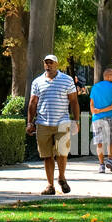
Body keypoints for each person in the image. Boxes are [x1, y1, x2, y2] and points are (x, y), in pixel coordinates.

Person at [26, 54, 79, 195]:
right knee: (47, 155)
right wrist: (30, 122)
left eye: (51, 63)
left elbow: (74, 101)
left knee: (62, 153)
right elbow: (32, 103)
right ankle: (50, 185)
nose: (48, 65)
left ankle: (61, 177)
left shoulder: (67, 80)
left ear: (57, 64)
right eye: (46, 63)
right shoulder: (37, 82)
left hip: (62, 122)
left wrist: (76, 121)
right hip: (43, 123)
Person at [89, 67, 112, 174]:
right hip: (110, 117)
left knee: (99, 142)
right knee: (110, 140)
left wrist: (95, 112)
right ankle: (110, 160)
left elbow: (91, 104)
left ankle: (101, 165)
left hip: (96, 118)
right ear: (108, 76)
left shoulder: (95, 87)